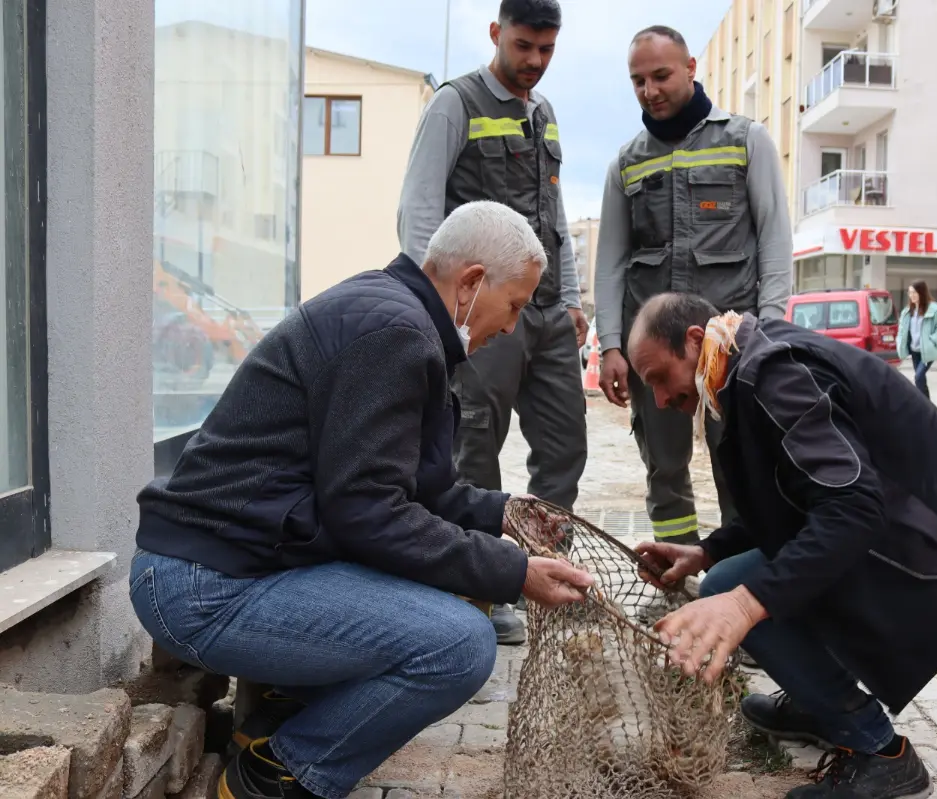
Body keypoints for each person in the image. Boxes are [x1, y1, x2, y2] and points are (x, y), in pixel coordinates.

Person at [131, 201, 595, 799]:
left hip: (231, 567)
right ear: (472, 283)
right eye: (514, 306)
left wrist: (500, 513)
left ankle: (280, 713)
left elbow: (411, 490)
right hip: (204, 587)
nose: (510, 328)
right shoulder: (395, 334)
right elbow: (369, 513)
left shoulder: (397, 317)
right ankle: (280, 771)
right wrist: (514, 571)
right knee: (459, 645)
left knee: (457, 577)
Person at [627, 293, 937, 798]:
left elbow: (853, 509)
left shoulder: (773, 374)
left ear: (693, 340)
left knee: (738, 589)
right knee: (728, 575)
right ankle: (816, 700)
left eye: (659, 379)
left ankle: (881, 753)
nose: (662, 400)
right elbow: (793, 499)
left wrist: (744, 606)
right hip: (917, 529)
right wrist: (708, 549)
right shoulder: (741, 367)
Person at [397, 0, 587, 645]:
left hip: (548, 309)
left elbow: (554, 215)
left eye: (546, 50)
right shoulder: (456, 103)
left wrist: (574, 297)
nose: (534, 61)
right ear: (495, 33)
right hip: (480, 312)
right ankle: (482, 588)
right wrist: (440, 309)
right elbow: (419, 210)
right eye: (524, 45)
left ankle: (545, 570)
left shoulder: (546, 115)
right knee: (475, 448)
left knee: (566, 449)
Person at [592, 25, 792, 545]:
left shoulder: (747, 140)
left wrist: (770, 329)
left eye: (661, 75)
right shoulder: (626, 162)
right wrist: (611, 346)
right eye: (638, 80)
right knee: (664, 468)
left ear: (690, 68)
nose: (650, 90)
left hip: (731, 348)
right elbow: (611, 260)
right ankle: (676, 576)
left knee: (741, 464)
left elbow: (774, 238)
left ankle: (737, 575)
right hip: (657, 355)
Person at [896, 280, 937, 400]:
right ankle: (926, 405)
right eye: (910, 293)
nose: (912, 296)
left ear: (922, 293)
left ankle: (925, 405)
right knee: (920, 379)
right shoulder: (907, 312)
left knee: (918, 377)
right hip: (914, 350)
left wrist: (932, 341)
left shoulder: (934, 311)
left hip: (927, 351)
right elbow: (901, 330)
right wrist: (900, 342)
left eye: (915, 292)